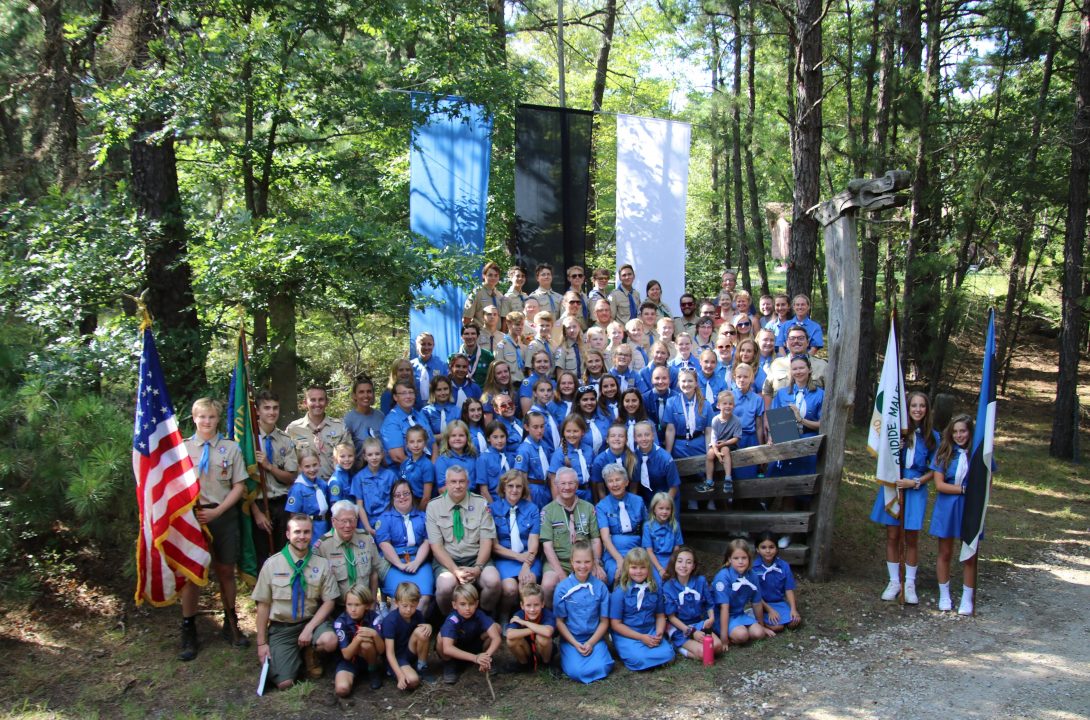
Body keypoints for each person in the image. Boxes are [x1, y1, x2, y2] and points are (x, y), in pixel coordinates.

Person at [180, 398, 249, 659]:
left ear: (218, 418)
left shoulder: (230, 449)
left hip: (222, 514)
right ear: (194, 417)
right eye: (202, 417)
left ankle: (231, 624)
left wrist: (218, 511)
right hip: (193, 518)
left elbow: (239, 485)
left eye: (211, 417)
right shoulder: (183, 449)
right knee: (192, 573)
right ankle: (188, 630)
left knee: (225, 571)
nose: (207, 421)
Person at [253, 514, 340, 689]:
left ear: (311, 534)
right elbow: (263, 605)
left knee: (330, 640)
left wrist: (309, 628)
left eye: (306, 532)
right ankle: (294, 656)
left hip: (311, 622)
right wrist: (261, 643)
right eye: (297, 532)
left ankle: (311, 653)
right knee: (284, 683)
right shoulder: (272, 565)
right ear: (287, 534)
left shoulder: (321, 564)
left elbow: (329, 601)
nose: (302, 536)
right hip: (283, 627)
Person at [871, 391, 939, 604]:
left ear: (927, 410)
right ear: (907, 409)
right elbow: (884, 457)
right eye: (913, 406)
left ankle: (909, 583)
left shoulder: (932, 436)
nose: (918, 409)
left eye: (922, 406)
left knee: (911, 537)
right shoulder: (897, 432)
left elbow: (934, 469)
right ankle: (894, 581)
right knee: (892, 535)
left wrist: (916, 482)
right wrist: (894, 448)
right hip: (894, 484)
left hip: (915, 487)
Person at [426, 465, 501, 614]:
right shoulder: (434, 507)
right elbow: (437, 547)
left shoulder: (481, 503)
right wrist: (455, 571)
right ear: (446, 484)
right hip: (448, 561)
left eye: (462, 481)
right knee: (445, 586)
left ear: (468, 483)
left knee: (493, 582)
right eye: (453, 482)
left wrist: (478, 568)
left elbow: (487, 541)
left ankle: (483, 616)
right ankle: (451, 620)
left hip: (476, 558)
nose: (458, 486)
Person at [768, 355, 824, 548]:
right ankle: (786, 532)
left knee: (805, 490)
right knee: (787, 490)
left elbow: (822, 424)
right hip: (786, 444)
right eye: (795, 369)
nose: (798, 371)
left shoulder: (820, 394)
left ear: (809, 370)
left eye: (802, 368)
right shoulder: (783, 393)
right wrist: (771, 438)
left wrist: (801, 419)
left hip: (809, 446)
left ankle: (805, 534)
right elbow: (774, 420)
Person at [930, 414, 980, 615]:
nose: (959, 435)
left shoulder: (977, 454)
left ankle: (967, 598)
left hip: (970, 508)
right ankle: (944, 595)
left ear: (970, 432)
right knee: (945, 552)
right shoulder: (944, 453)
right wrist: (963, 490)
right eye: (955, 431)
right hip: (948, 507)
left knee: (969, 553)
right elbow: (940, 485)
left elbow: (987, 484)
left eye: (963, 431)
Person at [540, 468, 605, 604]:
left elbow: (595, 540)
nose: (567, 487)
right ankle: (552, 618)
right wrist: (562, 575)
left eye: (571, 483)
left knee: (601, 578)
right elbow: (547, 547)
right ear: (556, 485)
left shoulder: (588, 508)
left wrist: (596, 563)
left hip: (585, 561)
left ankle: (590, 616)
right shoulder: (548, 511)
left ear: (577, 485)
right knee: (547, 585)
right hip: (560, 561)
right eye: (563, 484)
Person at [552, 540, 614, 684]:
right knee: (577, 672)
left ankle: (595, 654)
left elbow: (604, 621)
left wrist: (591, 643)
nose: (582, 566)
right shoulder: (562, 588)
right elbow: (560, 622)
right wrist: (574, 643)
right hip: (571, 639)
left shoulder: (600, 587)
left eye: (587, 562)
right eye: (578, 562)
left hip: (594, 638)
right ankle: (568, 657)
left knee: (603, 666)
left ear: (593, 562)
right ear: (571, 562)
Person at [252, 389, 299, 567]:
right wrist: (257, 513)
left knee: (283, 555)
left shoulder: (285, 440)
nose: (272, 412)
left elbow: (290, 477)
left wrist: (269, 466)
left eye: (275, 408)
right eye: (267, 408)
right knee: (262, 559)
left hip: (282, 503)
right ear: (257, 411)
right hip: (257, 504)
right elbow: (241, 482)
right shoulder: (249, 440)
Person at [608, 547, 675, 670]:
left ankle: (651, 653)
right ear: (627, 568)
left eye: (642, 567)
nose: (638, 571)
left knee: (669, 654)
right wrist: (640, 637)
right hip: (628, 633)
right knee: (639, 658)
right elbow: (616, 624)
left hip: (649, 631)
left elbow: (660, 615)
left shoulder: (655, 588)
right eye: (634, 567)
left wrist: (659, 632)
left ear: (648, 568)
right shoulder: (620, 592)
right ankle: (625, 649)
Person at [375, 480, 434, 616]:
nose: (402, 497)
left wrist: (417, 562)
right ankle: (394, 633)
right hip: (394, 564)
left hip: (419, 562)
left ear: (412, 495)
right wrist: (399, 565)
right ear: (392, 497)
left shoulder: (422, 517)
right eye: (398, 495)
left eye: (406, 493)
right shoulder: (384, 518)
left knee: (423, 597)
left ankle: (415, 631)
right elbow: (384, 544)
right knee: (399, 600)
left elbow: (427, 541)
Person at [490, 470, 542, 620]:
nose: (514, 490)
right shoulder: (493, 509)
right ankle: (504, 615)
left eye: (518, 486)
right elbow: (494, 546)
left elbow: (533, 541)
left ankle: (528, 621)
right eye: (510, 486)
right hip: (505, 558)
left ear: (523, 489)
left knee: (528, 583)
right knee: (510, 589)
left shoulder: (532, 509)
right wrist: (519, 557)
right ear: (503, 488)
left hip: (529, 557)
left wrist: (526, 565)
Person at [663, 546, 722, 660]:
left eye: (688, 562)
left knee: (717, 647)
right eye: (680, 561)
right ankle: (679, 647)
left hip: (698, 624)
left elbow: (709, 604)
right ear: (674, 564)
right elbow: (671, 617)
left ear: (693, 566)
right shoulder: (668, 586)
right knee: (705, 653)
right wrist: (691, 632)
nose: (683, 566)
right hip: (680, 628)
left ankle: (696, 645)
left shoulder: (700, 581)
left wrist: (711, 618)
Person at [712, 539, 774, 648]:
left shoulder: (752, 575)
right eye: (736, 558)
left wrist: (762, 626)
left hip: (739, 614)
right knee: (742, 635)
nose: (740, 561)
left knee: (759, 633)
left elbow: (757, 602)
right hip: (721, 616)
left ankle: (742, 628)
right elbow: (724, 608)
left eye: (744, 558)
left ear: (749, 559)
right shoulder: (723, 577)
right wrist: (724, 639)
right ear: (729, 559)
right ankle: (732, 633)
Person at [315, 501, 382, 602]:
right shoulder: (323, 546)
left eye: (352, 520)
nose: (348, 525)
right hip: (337, 607)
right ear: (333, 521)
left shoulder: (366, 539)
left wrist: (372, 603)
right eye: (343, 521)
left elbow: (374, 573)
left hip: (364, 604)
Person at [437, 583, 502, 684]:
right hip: (456, 650)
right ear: (454, 605)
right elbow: (447, 648)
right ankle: (449, 664)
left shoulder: (479, 614)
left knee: (496, 627)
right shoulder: (452, 620)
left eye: (471, 604)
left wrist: (486, 657)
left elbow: (496, 638)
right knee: (441, 637)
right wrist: (475, 658)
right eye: (463, 604)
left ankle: (484, 658)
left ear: (476, 604)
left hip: (475, 646)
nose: (467, 608)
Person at [595, 462, 647, 588]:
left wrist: (645, 552)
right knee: (618, 574)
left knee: (646, 574)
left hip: (637, 550)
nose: (614, 484)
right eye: (610, 481)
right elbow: (605, 538)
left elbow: (647, 529)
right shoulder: (602, 506)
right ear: (606, 485)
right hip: (614, 552)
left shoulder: (638, 501)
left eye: (618, 480)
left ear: (626, 482)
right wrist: (619, 560)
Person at [286, 385, 350, 478]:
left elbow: (349, 458)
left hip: (334, 485)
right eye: (313, 400)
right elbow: (289, 463)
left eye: (321, 399)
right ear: (305, 403)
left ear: (327, 402)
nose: (317, 403)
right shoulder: (293, 429)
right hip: (306, 487)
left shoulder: (340, 427)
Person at [762, 325, 827, 416]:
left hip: (813, 422)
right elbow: (767, 391)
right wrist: (766, 417)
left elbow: (830, 395)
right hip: (781, 420)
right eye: (792, 338)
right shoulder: (776, 364)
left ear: (808, 342)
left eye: (801, 338)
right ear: (786, 343)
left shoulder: (822, 366)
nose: (796, 341)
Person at [332, 584, 385, 695]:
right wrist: (358, 638)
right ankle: (352, 673)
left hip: (369, 658)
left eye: (357, 605)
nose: (353, 609)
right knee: (342, 689)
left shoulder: (375, 618)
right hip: (348, 661)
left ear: (366, 605)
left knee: (366, 644)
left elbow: (381, 650)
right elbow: (346, 655)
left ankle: (373, 670)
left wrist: (375, 634)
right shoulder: (341, 622)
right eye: (349, 605)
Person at [383, 581, 433, 691]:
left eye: (413, 606)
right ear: (396, 602)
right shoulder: (390, 621)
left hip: (410, 651)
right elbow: (389, 653)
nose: (409, 610)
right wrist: (400, 675)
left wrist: (429, 626)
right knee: (413, 681)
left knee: (423, 631)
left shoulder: (417, 615)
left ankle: (422, 667)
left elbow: (423, 632)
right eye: (405, 606)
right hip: (397, 657)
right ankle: (395, 672)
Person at [754, 532, 802, 632]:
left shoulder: (784, 566)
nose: (768, 551)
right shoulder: (753, 568)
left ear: (776, 549)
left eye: (771, 547)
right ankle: (759, 620)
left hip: (779, 603)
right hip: (762, 605)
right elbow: (755, 594)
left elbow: (789, 589)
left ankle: (782, 615)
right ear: (757, 550)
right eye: (763, 547)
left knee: (795, 621)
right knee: (777, 627)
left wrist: (793, 609)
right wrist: (770, 610)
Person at [664, 368, 714, 460]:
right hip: (679, 448)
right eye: (683, 381)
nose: (686, 384)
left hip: (700, 447)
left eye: (690, 381)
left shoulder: (705, 404)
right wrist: (668, 454)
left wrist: (709, 453)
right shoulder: (671, 403)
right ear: (679, 383)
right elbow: (670, 430)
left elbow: (708, 431)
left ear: (696, 383)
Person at [380, 381, 435, 465]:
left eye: (411, 392)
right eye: (403, 393)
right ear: (395, 397)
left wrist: (432, 466)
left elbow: (433, 444)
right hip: (406, 471)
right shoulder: (391, 422)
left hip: (429, 465)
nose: (408, 396)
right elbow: (398, 456)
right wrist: (421, 470)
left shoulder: (420, 415)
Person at [505, 582, 556, 672]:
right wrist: (535, 629)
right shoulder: (519, 615)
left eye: (536, 605)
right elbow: (509, 634)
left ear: (542, 604)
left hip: (543, 650)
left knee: (543, 637)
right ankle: (524, 664)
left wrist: (525, 623)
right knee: (511, 640)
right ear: (522, 605)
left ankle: (546, 664)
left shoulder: (547, 614)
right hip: (526, 649)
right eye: (528, 605)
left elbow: (547, 632)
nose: (532, 609)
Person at [351, 437, 396, 536]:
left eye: (377, 454)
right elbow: (359, 505)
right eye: (370, 455)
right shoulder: (359, 478)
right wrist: (367, 527)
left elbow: (394, 502)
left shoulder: (390, 476)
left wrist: (389, 522)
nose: (374, 457)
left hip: (387, 521)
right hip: (366, 523)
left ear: (382, 454)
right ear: (364, 456)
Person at [287, 447, 331, 545]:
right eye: (307, 466)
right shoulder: (298, 489)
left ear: (319, 462)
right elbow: (293, 516)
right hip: (309, 529)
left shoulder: (322, 484)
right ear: (300, 467)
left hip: (324, 526)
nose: (312, 469)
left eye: (314, 465)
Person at [699, 390, 740, 496]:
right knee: (710, 454)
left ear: (734, 406)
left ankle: (728, 479)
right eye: (724, 403)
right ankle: (709, 481)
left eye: (730, 404)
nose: (728, 406)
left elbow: (736, 438)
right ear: (718, 406)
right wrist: (716, 451)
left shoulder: (736, 420)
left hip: (729, 443)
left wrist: (724, 443)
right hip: (716, 443)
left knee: (725, 449)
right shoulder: (715, 420)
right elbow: (713, 438)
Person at [731, 362, 765, 484]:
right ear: (734, 377)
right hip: (733, 439)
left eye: (746, 377)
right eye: (739, 376)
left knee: (750, 474)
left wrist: (761, 447)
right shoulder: (729, 396)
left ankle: (751, 502)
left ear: (751, 378)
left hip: (750, 439)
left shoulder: (757, 399)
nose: (742, 379)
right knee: (735, 475)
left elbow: (759, 426)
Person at [632, 420, 680, 506]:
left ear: (653, 436)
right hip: (646, 500)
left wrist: (663, 506)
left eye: (647, 435)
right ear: (635, 438)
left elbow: (674, 487)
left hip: (667, 499)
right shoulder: (633, 457)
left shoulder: (665, 458)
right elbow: (634, 484)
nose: (644, 439)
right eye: (639, 436)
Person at [549, 415, 595, 502]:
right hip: (569, 496)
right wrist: (558, 503)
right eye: (568, 431)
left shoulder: (588, 450)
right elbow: (553, 482)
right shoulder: (559, 454)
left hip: (588, 495)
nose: (572, 434)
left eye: (575, 431)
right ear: (563, 433)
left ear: (583, 432)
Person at [642, 492, 683, 581]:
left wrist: (670, 566)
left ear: (672, 510)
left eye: (668, 509)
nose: (664, 512)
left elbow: (676, 549)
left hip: (671, 560)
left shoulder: (675, 525)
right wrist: (660, 569)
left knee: (673, 580)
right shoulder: (648, 526)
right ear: (654, 509)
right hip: (654, 560)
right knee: (658, 581)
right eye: (661, 508)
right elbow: (649, 551)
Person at [590, 423, 637, 501]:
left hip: (628, 498)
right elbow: (600, 487)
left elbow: (634, 486)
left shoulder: (633, 459)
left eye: (621, 436)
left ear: (626, 440)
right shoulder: (599, 461)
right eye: (613, 436)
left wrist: (631, 503)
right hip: (608, 499)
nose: (617, 438)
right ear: (607, 440)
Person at [433, 420, 478, 495]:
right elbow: (442, 489)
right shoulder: (442, 460)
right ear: (447, 438)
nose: (457, 438)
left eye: (461, 435)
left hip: (472, 498)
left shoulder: (473, 457)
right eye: (453, 435)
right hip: (451, 500)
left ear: (467, 438)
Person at [344, 377, 385, 459]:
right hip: (359, 469)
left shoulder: (380, 416)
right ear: (355, 396)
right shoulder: (349, 420)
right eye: (361, 392)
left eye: (369, 391)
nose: (366, 395)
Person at [475, 420, 512, 502]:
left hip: (512, 500)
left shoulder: (510, 457)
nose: (499, 441)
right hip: (494, 500)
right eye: (495, 437)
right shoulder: (483, 459)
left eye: (502, 436)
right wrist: (494, 507)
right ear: (488, 438)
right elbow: (483, 490)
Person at [399, 425, 435, 507]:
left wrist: (418, 513)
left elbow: (426, 497)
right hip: (405, 502)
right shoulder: (404, 464)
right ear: (407, 444)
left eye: (419, 441)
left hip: (420, 504)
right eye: (412, 442)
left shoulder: (427, 465)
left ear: (425, 442)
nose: (416, 445)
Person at [463, 261, 505, 328]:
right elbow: (467, 319)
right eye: (490, 275)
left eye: (496, 275)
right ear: (483, 276)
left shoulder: (499, 295)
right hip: (481, 335)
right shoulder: (476, 293)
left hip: (497, 336)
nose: (493, 278)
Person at [410, 332, 448, 405]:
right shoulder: (410, 366)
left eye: (429, 344)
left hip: (436, 408)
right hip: (415, 409)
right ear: (417, 345)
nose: (426, 347)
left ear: (433, 345)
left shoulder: (441, 366)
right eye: (423, 344)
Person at [574, 384, 611, 453]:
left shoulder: (604, 420)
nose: (589, 402)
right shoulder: (573, 423)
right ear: (578, 402)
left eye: (592, 399)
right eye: (585, 400)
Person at [456, 322, 495, 387]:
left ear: (478, 336)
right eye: (466, 334)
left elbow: (493, 379)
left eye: (473, 333)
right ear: (461, 337)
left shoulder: (488, 356)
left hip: (483, 395)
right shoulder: (453, 358)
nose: (470, 337)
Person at [518, 349, 555, 415]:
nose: (542, 364)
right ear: (533, 364)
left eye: (546, 361)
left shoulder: (553, 383)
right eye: (539, 361)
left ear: (550, 364)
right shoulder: (528, 383)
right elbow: (527, 414)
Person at [495, 311, 528, 383]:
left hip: (523, 383)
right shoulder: (502, 346)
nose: (520, 327)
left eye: (522, 325)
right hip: (510, 384)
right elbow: (499, 369)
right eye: (517, 324)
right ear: (508, 324)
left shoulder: (523, 346)